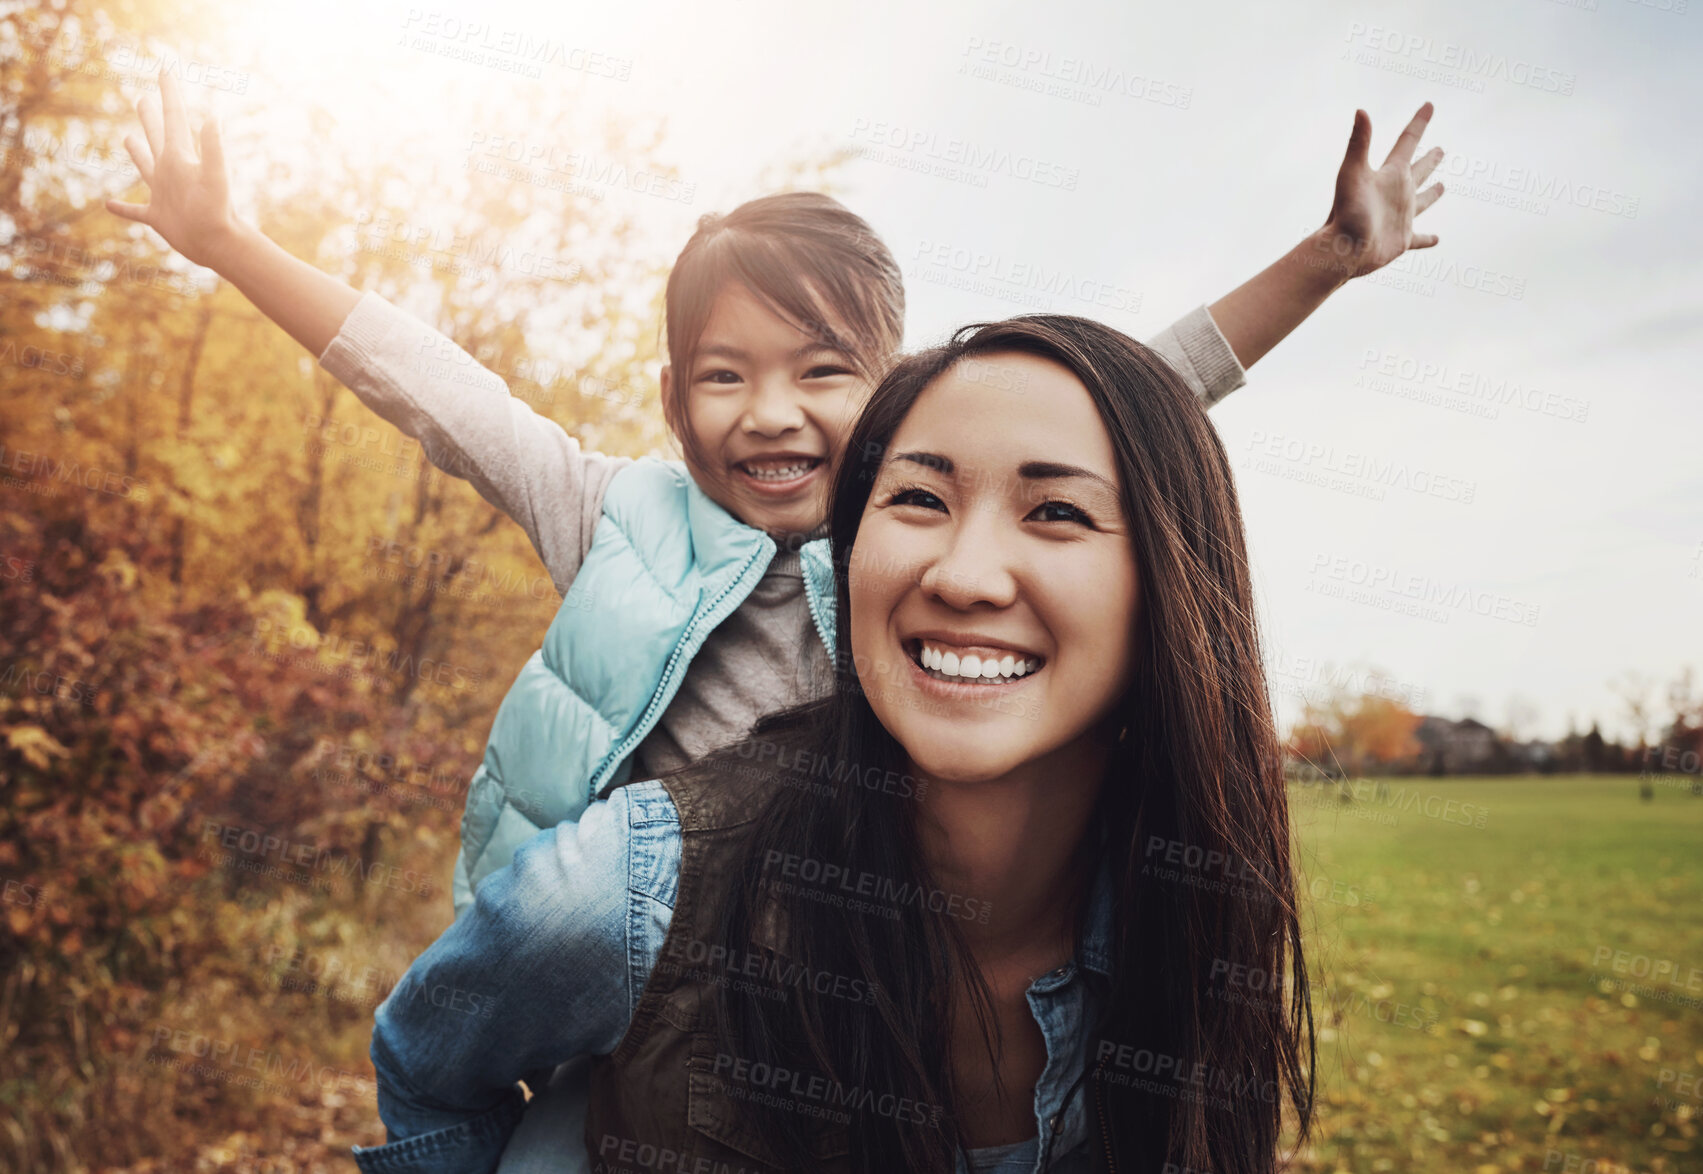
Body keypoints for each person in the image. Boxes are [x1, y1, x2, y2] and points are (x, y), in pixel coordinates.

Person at [104, 68, 1445, 918]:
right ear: (674, 392)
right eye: (722, 375)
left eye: (822, 370)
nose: (770, 413)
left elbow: (1139, 393)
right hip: (624, 982)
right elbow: (435, 389)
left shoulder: (912, 532)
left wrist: (1324, 258)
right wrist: (228, 242)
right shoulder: (605, 509)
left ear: (898, 386)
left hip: (854, 972)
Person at [349, 313, 1315, 1173]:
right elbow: (429, 1064)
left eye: (1055, 511)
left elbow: (1143, 386)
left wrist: (1322, 262)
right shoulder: (623, 888)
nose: (965, 575)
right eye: (918, 500)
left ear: (1174, 584)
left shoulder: (1195, 910)